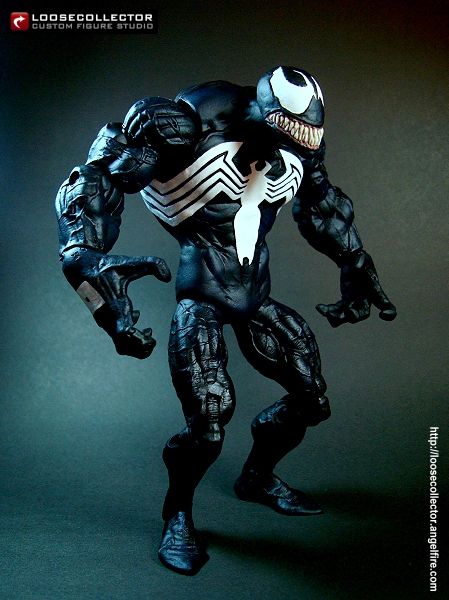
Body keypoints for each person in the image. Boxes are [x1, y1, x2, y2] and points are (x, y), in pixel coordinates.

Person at [55, 66, 396, 575]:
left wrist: (354, 259)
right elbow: (98, 174)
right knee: (209, 425)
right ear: (263, 114)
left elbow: (322, 204)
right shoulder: (183, 125)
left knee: (311, 399)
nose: (293, 151)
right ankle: (177, 515)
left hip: (255, 296)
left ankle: (256, 478)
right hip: (202, 298)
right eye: (283, 137)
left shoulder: (301, 143)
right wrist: (83, 257)